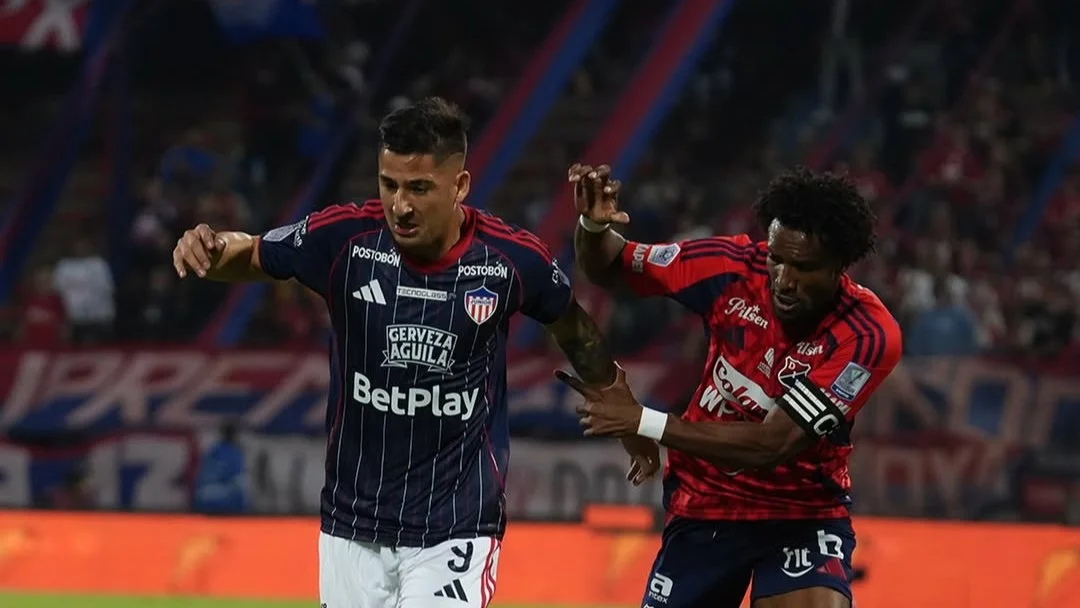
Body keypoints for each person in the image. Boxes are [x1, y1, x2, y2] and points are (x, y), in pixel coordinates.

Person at [171, 98, 659, 608]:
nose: (400, 205)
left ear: (460, 186)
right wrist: (208, 245)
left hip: (455, 527)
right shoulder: (345, 239)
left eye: (419, 188)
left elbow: (576, 330)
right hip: (351, 524)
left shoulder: (510, 260)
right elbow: (251, 252)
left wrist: (626, 414)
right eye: (390, 185)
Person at [559, 164, 902, 608]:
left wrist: (642, 421)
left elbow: (771, 443)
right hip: (704, 505)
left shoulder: (867, 335)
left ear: (840, 265)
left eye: (804, 267)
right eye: (777, 258)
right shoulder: (731, 267)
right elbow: (610, 265)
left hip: (803, 513)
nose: (783, 278)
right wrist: (592, 225)